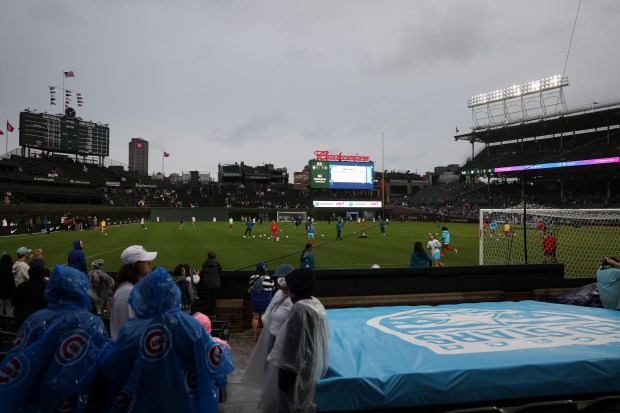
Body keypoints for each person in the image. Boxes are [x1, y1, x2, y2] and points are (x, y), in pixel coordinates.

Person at [98, 267, 233, 413]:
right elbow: (217, 362)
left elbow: (112, 366)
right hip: (185, 403)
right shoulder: (191, 325)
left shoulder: (133, 329)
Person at [0, 265, 111, 412]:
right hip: (76, 399)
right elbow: (103, 363)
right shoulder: (91, 322)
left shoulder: (35, 320)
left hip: (37, 399)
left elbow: (17, 359)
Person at [258, 269, 330, 413]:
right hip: (309, 367)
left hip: (293, 371)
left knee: (288, 404)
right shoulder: (316, 304)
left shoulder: (300, 310)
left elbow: (291, 344)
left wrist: (285, 375)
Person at [244, 264, 295, 389]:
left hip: (284, 341)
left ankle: (254, 335)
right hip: (273, 335)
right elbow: (268, 314)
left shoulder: (293, 299)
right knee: (270, 367)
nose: (278, 283)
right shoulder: (278, 293)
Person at [110, 245, 157, 341]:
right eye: (145, 261)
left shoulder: (130, 289)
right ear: (134, 265)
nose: (150, 262)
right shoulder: (127, 293)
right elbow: (128, 334)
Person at [249, 262, 274, 341]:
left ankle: (254, 336)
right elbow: (273, 288)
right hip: (266, 300)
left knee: (255, 318)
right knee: (264, 318)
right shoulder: (269, 278)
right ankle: (265, 338)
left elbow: (251, 286)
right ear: (264, 269)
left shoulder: (252, 277)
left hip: (255, 300)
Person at [201, 250, 222, 317]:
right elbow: (220, 270)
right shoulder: (216, 263)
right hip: (214, 284)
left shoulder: (205, 264)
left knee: (208, 299)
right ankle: (213, 313)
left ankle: (208, 313)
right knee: (213, 299)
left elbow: (203, 272)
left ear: (208, 257)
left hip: (207, 283)